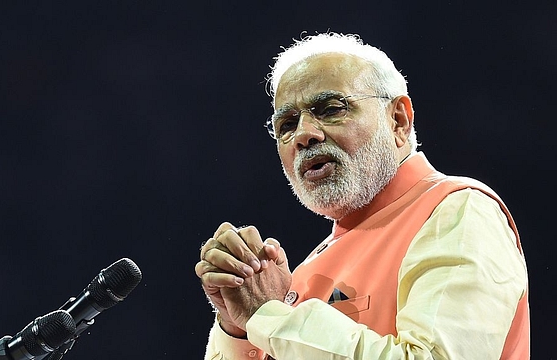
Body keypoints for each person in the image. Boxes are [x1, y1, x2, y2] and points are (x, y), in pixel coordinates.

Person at [195, 32, 529, 359]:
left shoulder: (459, 212)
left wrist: (267, 315)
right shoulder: (308, 270)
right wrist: (237, 327)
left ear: (398, 120)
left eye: (330, 108)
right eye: (287, 124)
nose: (304, 135)